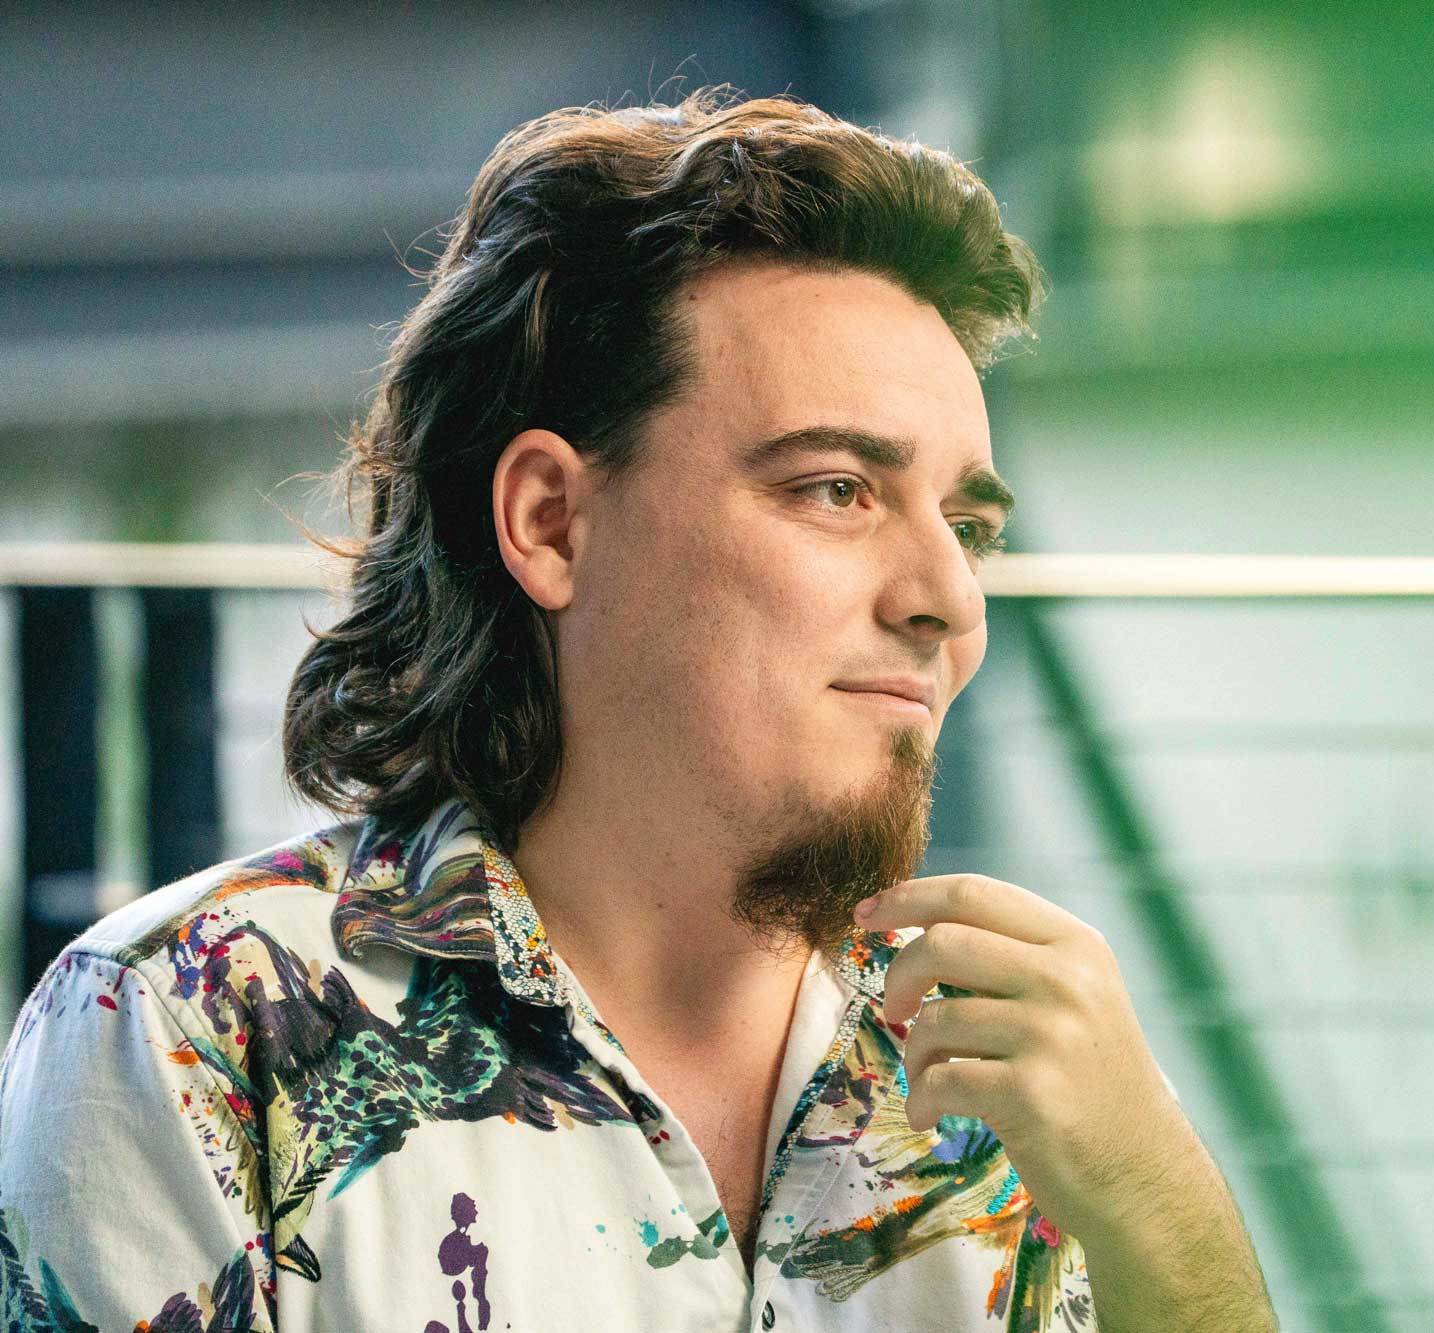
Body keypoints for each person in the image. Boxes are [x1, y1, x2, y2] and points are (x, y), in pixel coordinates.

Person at [0, 90, 1276, 1331]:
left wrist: (1156, 1202)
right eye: (836, 490)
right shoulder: (189, 1030)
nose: (949, 598)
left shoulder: (1025, 1083)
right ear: (553, 522)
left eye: (968, 526)